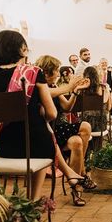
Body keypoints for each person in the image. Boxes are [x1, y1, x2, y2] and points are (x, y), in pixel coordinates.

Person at [0, 30, 85, 203]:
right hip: (36, 146)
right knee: (43, 139)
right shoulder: (33, 72)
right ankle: (34, 199)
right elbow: (52, 113)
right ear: (21, 49)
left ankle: (66, 176)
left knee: (42, 137)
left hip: (4, 146)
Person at [34, 55, 95, 197]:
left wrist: (75, 91)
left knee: (78, 140)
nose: (58, 73)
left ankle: (78, 180)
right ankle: (82, 175)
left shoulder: (54, 86)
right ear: (48, 71)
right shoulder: (38, 87)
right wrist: (68, 86)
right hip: (47, 131)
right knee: (84, 126)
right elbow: (48, 97)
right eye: (56, 70)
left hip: (59, 128)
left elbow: (67, 107)